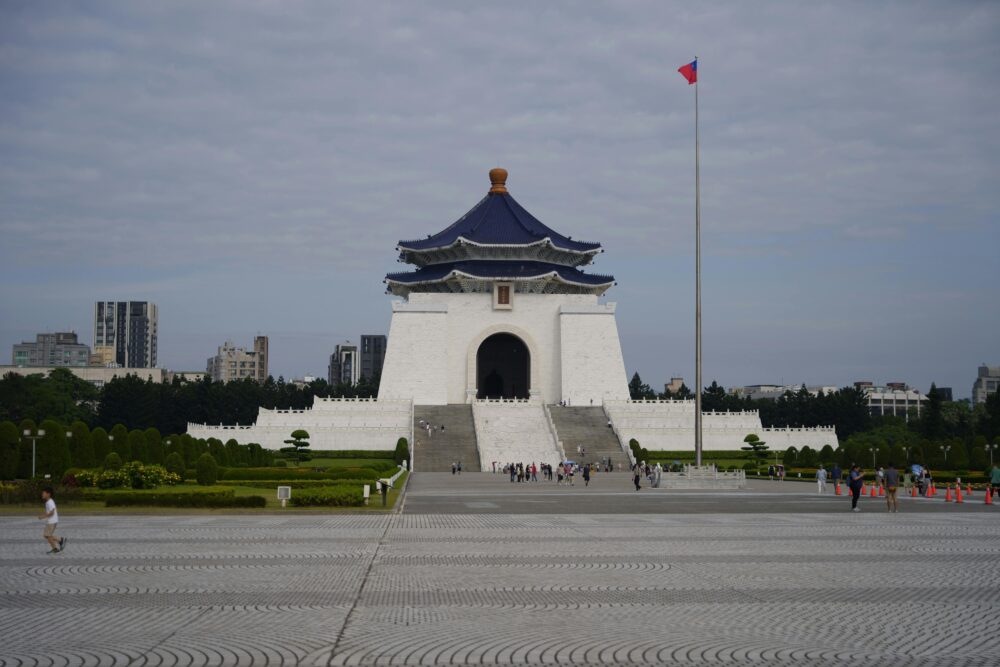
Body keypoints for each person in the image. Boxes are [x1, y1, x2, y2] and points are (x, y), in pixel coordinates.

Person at [38, 486, 64, 554]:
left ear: (48, 494)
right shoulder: (48, 502)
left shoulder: (50, 502)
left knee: (48, 535)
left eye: (43, 493)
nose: (42, 494)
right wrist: (44, 515)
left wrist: (43, 516)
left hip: (52, 521)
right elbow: (49, 511)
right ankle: (60, 541)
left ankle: (55, 548)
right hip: (52, 521)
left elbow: (52, 512)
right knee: (46, 535)